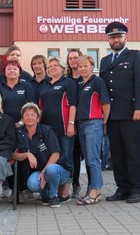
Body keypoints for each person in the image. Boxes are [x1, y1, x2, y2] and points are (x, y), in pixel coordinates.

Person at [100, 22, 140, 203]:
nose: (116, 40)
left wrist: (138, 108)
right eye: (112, 37)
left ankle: (136, 189)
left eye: (119, 36)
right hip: (112, 116)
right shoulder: (105, 61)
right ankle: (122, 187)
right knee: (116, 154)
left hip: (131, 114)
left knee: (133, 152)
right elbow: (103, 91)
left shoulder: (135, 56)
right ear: (108, 39)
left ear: (125, 38)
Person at [13, 102, 72, 208]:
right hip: (37, 171)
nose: (29, 117)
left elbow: (56, 154)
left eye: (32, 114)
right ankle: (45, 196)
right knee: (32, 184)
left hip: (57, 169)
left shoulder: (47, 130)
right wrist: (27, 154)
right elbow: (13, 155)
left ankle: (53, 196)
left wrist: (44, 172)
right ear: (22, 118)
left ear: (38, 118)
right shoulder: (18, 133)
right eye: (26, 115)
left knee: (51, 169)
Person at [0, 60, 35, 200]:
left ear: (19, 71)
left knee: (24, 156)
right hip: (5, 129)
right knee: (8, 157)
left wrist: (21, 122)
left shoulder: (26, 86)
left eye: (15, 69)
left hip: (23, 127)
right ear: (4, 72)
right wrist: (7, 124)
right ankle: (11, 188)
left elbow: (31, 106)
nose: (12, 71)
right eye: (9, 69)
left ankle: (25, 188)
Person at [40, 56, 77, 202]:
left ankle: (65, 191)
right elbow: (41, 107)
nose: (52, 68)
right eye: (50, 66)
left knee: (66, 158)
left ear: (62, 68)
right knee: (52, 159)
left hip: (64, 128)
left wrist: (71, 123)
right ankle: (52, 189)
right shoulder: (45, 84)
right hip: (48, 130)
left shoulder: (68, 82)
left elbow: (73, 104)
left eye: (56, 65)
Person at [76, 55, 110, 205]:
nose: (82, 69)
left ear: (92, 66)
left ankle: (95, 190)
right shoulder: (80, 84)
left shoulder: (97, 81)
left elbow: (106, 103)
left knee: (93, 159)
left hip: (93, 124)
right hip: (81, 125)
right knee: (89, 159)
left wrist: (103, 122)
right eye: (80, 66)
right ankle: (95, 191)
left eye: (85, 66)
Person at [66, 49, 84, 198]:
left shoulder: (87, 79)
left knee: (80, 154)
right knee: (71, 154)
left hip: (84, 121)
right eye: (70, 58)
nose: (73, 60)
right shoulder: (66, 79)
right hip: (69, 123)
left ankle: (85, 185)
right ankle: (72, 183)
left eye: (76, 58)